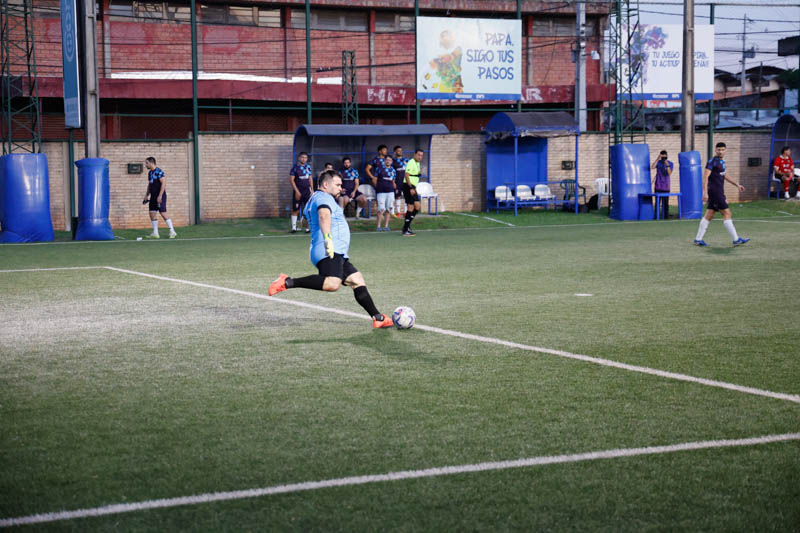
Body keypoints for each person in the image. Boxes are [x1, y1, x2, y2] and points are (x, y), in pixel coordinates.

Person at [268, 170, 394, 329]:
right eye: (338, 184)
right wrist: (328, 239)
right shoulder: (323, 197)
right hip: (329, 249)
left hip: (336, 251)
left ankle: (378, 317)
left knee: (357, 280)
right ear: (326, 184)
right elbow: (323, 215)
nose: (341, 188)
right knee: (332, 284)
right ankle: (287, 282)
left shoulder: (314, 199)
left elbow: (304, 223)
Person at [694, 142, 749, 247]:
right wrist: (705, 193)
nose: (720, 151)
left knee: (709, 215)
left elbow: (725, 175)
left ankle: (698, 239)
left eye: (722, 149)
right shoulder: (712, 162)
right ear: (715, 150)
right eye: (718, 149)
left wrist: (736, 184)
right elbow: (705, 177)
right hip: (715, 192)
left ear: (725, 150)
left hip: (717, 192)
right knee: (727, 214)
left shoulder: (722, 162)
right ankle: (736, 239)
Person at [142, 157, 177, 239]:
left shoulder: (159, 171)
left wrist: (160, 195)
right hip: (153, 196)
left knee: (163, 213)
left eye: (146, 163)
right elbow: (150, 185)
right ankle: (155, 233)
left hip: (160, 196)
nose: (145, 165)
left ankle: (172, 231)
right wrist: (146, 195)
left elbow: (163, 183)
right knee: (152, 213)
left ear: (151, 163)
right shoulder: (150, 173)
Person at [289, 152, 313, 233]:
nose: (304, 159)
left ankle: (307, 228)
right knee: (295, 209)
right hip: (298, 191)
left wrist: (312, 189)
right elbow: (292, 181)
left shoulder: (308, 167)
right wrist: (297, 191)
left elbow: (310, 179)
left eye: (305, 158)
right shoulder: (295, 167)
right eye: (302, 157)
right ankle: (294, 228)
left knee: (307, 209)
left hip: (307, 191)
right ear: (299, 158)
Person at [402, 149, 424, 236]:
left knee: (417, 206)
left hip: (413, 187)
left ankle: (406, 226)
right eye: (418, 155)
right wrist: (410, 187)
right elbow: (406, 175)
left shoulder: (417, 163)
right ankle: (405, 230)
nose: (420, 157)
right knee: (410, 207)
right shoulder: (411, 162)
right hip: (408, 186)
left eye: (421, 155)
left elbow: (414, 175)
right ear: (414, 154)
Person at [373, 155, 396, 231]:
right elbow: (375, 179)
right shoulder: (379, 169)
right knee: (381, 209)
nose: (388, 161)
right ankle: (378, 226)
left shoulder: (393, 170)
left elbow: (393, 181)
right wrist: (378, 188)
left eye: (390, 160)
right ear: (384, 161)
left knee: (388, 209)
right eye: (387, 160)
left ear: (391, 161)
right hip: (381, 192)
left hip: (390, 192)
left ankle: (386, 226)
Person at [365, 145, 390, 214]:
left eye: (386, 149)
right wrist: (373, 177)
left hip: (387, 180)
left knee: (387, 195)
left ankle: (386, 212)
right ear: (380, 151)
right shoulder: (375, 160)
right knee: (379, 195)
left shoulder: (388, 159)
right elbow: (367, 169)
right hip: (378, 181)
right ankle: (380, 212)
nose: (386, 151)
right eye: (384, 150)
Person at [650, 150, 674, 218]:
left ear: (667, 156)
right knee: (657, 203)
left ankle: (666, 217)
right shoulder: (659, 162)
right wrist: (658, 158)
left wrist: (667, 165)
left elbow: (669, 173)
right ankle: (656, 217)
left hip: (666, 186)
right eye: (662, 156)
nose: (663, 157)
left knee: (666, 204)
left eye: (664, 155)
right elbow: (652, 167)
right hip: (658, 186)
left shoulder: (670, 163)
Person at [391, 146, 409, 218]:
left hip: (405, 181)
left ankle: (405, 212)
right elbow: (391, 172)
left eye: (401, 150)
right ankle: (398, 212)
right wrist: (393, 182)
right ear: (395, 152)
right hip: (398, 181)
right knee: (398, 196)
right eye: (398, 150)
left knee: (405, 196)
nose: (400, 152)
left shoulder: (406, 160)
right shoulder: (393, 161)